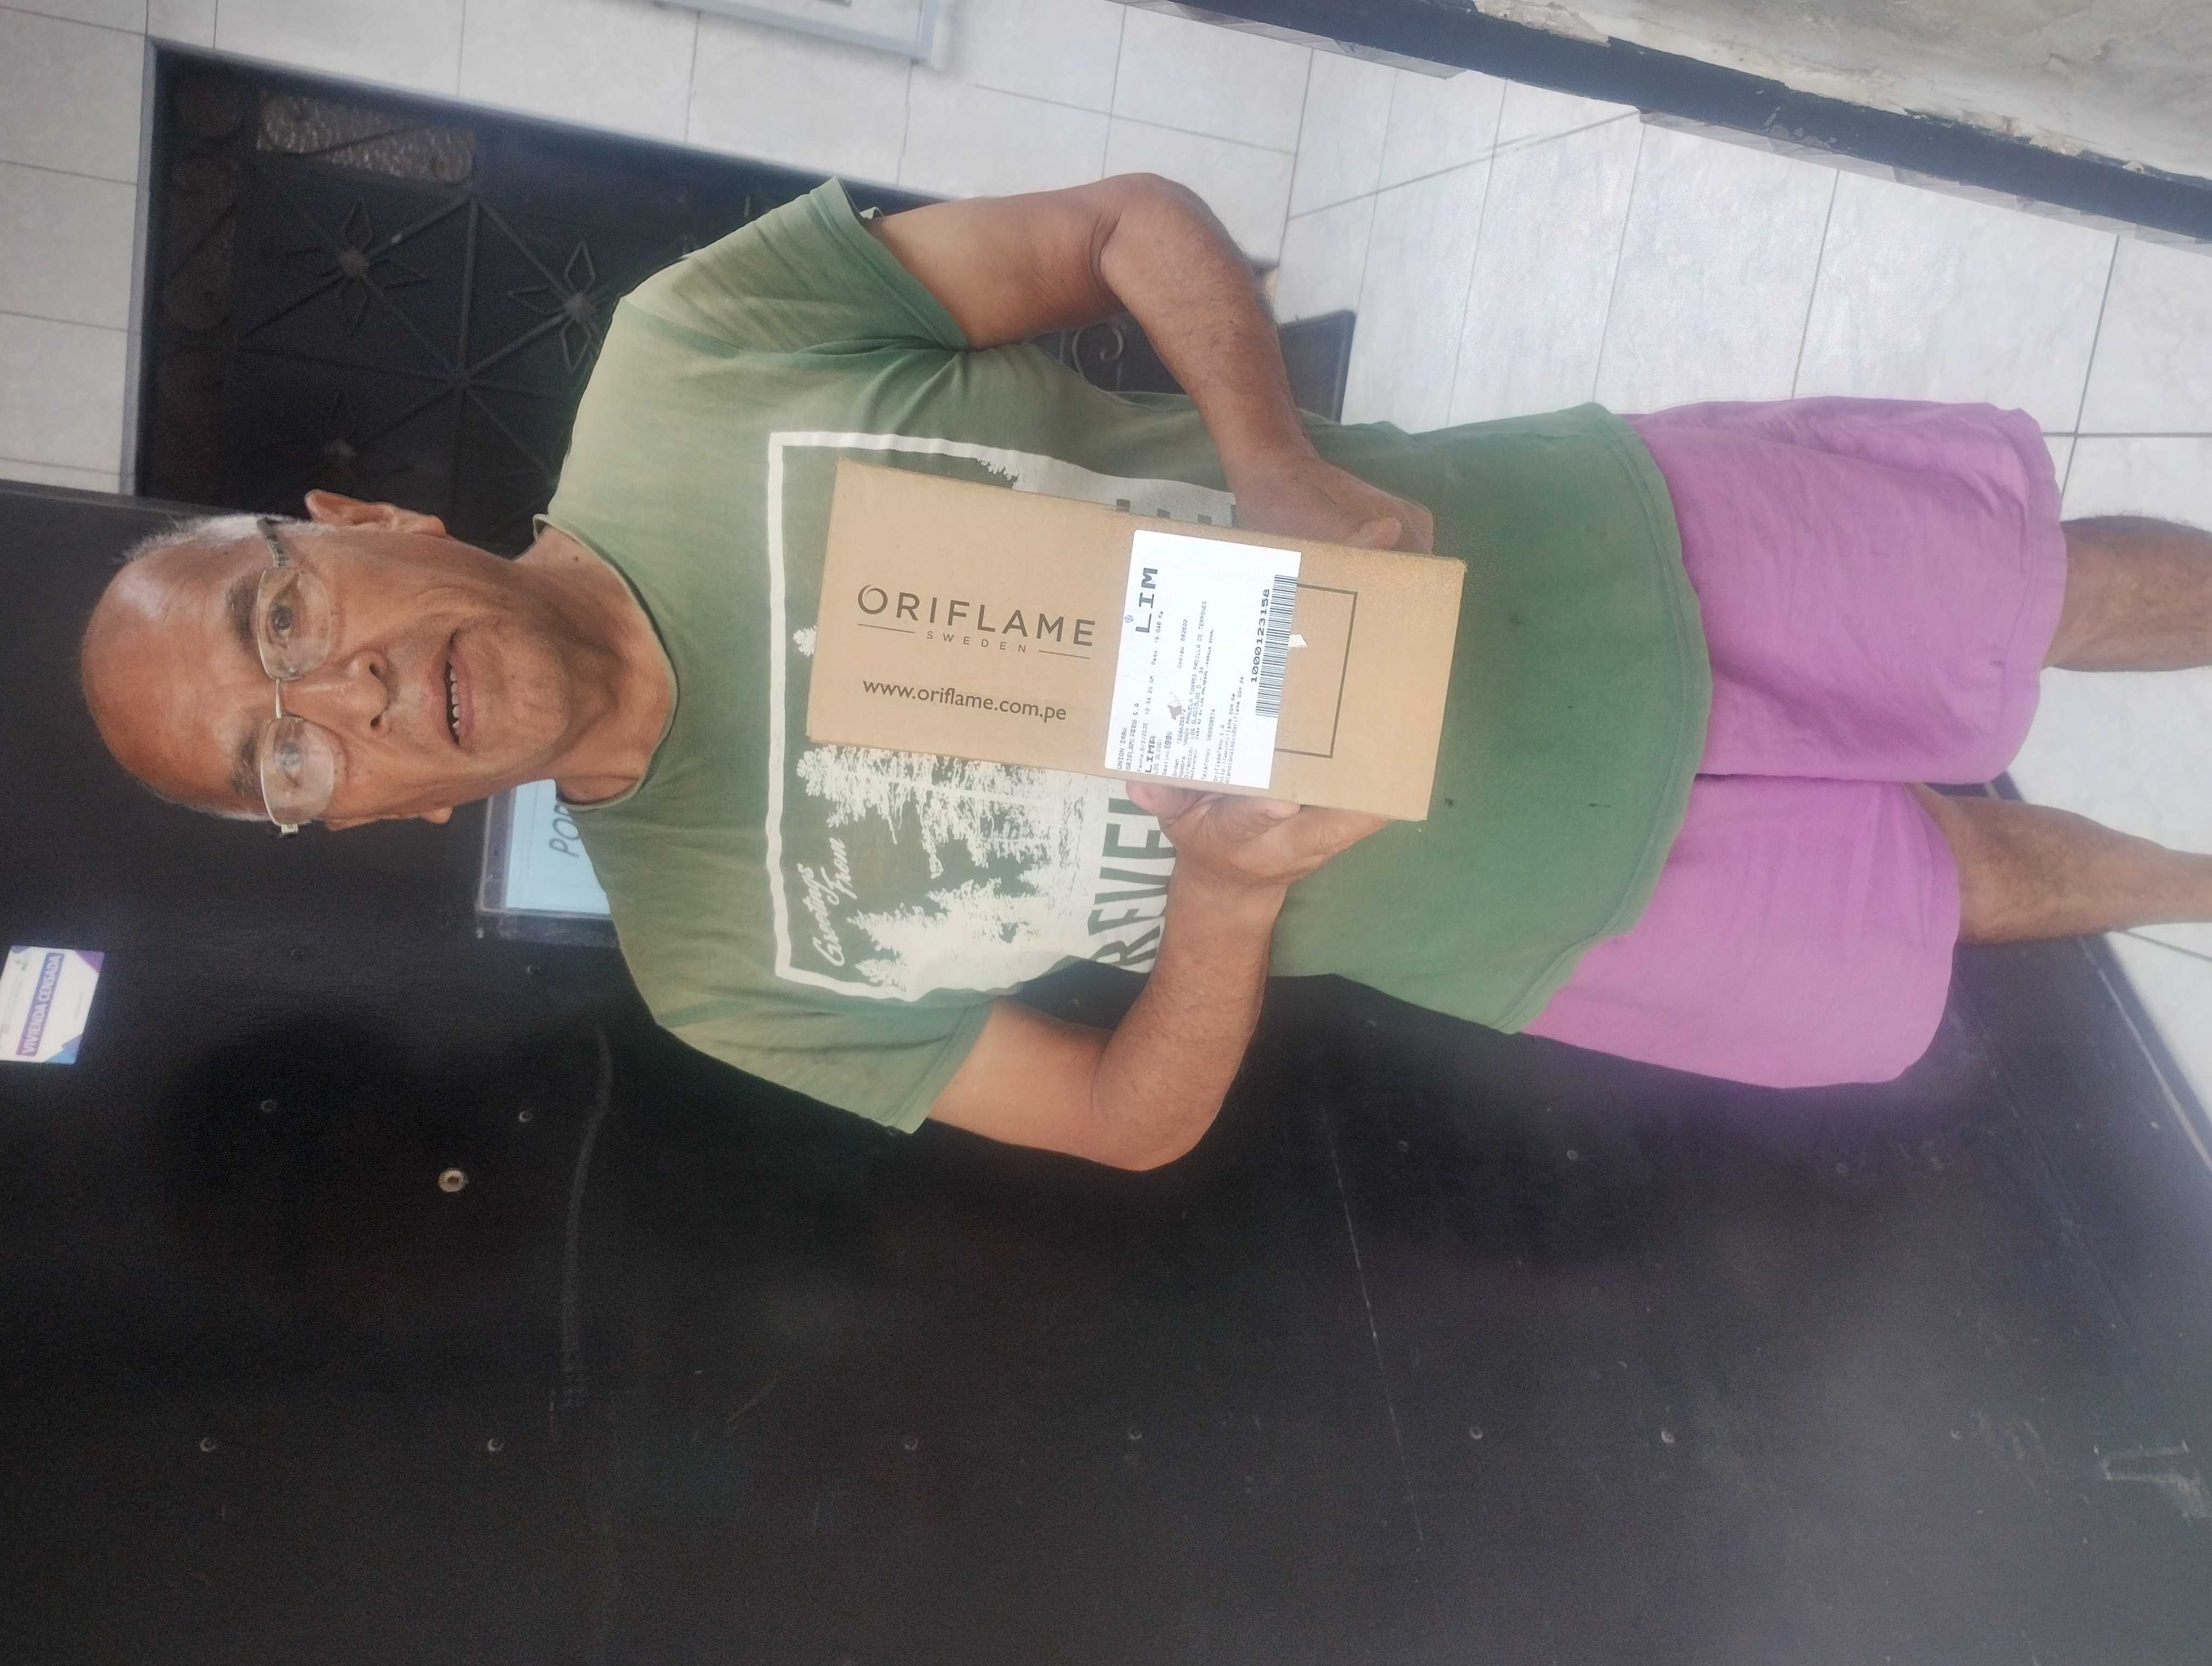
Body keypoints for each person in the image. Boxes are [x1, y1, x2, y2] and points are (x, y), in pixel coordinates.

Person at [80, 174, 2212, 1169]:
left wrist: (1270, 458)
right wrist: (1225, 902)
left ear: (357, 523)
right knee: (1953, 890)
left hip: (1591, 552)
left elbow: (1119, 228)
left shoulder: (689, 357)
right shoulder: (717, 969)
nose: (346, 705)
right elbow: (1117, 1118)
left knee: (2025, 587)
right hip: (1548, 913)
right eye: (288, 761)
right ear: (366, 821)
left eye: (286, 626)